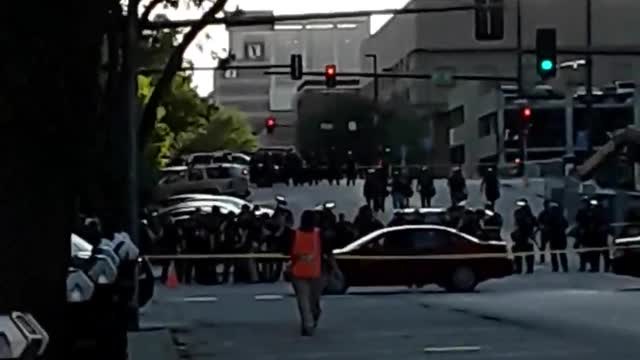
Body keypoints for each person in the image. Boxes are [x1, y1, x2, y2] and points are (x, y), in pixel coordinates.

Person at [290, 210, 328, 336]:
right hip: (315, 272)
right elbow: (327, 252)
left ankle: (307, 322)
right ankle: (309, 322)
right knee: (312, 301)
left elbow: (290, 252)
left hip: (299, 272)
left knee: (304, 301)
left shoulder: (295, 234)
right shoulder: (319, 235)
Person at [511, 199, 537, 274]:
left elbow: (535, 223)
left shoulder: (529, 214)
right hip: (520, 236)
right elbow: (517, 221)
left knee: (528, 254)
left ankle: (529, 269)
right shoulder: (518, 212)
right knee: (518, 253)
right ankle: (519, 269)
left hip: (527, 236)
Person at [547, 203, 569, 272]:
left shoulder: (552, 218)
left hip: (555, 237)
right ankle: (564, 268)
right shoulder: (560, 217)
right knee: (561, 254)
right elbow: (566, 225)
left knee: (555, 254)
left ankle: (556, 268)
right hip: (559, 237)